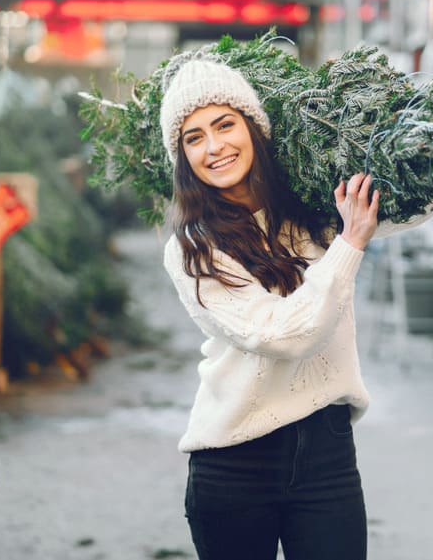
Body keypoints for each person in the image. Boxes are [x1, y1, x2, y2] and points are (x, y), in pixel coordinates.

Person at [160, 49, 416, 560]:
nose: (214, 147)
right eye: (194, 137)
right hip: (235, 461)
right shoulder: (194, 247)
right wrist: (350, 246)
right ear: (182, 156)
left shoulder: (315, 214)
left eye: (224, 125)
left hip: (326, 453)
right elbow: (283, 334)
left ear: (253, 127)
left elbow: (412, 205)